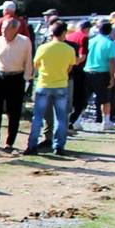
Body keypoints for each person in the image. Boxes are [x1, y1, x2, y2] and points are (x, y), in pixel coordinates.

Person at [24, 20, 76, 156]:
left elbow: (36, 65)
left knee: (38, 117)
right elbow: (69, 68)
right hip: (61, 85)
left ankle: (32, 145)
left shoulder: (43, 48)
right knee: (61, 118)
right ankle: (59, 145)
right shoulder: (70, 50)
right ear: (64, 33)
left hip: (44, 84)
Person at [0, 16, 32, 152]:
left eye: (6, 29)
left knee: (14, 111)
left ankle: (9, 142)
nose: (3, 32)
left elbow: (28, 62)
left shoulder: (24, 41)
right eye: (2, 29)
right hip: (0, 77)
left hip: (16, 78)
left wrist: (27, 80)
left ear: (15, 29)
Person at [83, 20, 115, 131]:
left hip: (87, 72)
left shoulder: (90, 41)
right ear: (110, 31)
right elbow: (112, 61)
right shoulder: (110, 43)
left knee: (84, 98)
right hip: (102, 73)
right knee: (105, 99)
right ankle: (106, 121)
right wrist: (112, 77)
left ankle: (77, 120)